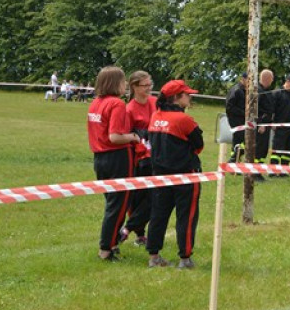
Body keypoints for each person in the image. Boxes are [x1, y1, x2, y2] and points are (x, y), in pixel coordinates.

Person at [146, 79, 204, 269]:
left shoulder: (155, 116)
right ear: (177, 98)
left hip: (160, 174)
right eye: (187, 94)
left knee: (158, 215)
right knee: (186, 217)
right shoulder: (184, 120)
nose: (190, 97)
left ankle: (153, 256)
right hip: (185, 175)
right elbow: (199, 145)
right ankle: (185, 258)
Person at [87, 66, 140, 262]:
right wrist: (133, 137)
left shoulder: (95, 104)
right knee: (118, 205)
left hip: (100, 159)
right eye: (123, 80)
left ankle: (112, 243)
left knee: (112, 202)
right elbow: (115, 137)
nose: (125, 84)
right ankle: (106, 248)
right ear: (114, 83)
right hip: (117, 157)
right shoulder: (116, 104)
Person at [118, 71, 157, 248]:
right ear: (134, 87)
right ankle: (139, 234)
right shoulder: (129, 109)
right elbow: (126, 135)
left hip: (156, 156)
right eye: (145, 85)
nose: (149, 88)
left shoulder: (155, 103)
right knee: (138, 197)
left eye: (150, 84)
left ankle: (128, 229)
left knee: (153, 195)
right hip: (138, 158)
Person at [252, 69, 276, 166]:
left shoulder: (267, 92)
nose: (272, 80)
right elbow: (255, 110)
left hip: (267, 124)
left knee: (264, 149)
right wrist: (260, 123)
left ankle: (259, 169)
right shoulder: (258, 91)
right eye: (272, 78)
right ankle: (255, 171)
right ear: (268, 78)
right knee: (259, 148)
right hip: (260, 125)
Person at [225, 73, 248, 163]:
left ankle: (234, 162)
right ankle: (233, 161)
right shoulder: (236, 90)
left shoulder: (244, 90)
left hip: (242, 120)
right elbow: (229, 107)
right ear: (243, 79)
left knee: (239, 143)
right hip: (236, 120)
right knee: (240, 142)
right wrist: (244, 113)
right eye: (248, 80)